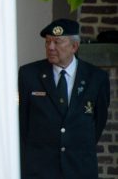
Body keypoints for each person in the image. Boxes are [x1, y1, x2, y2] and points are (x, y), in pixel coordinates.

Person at [18, 18, 110, 179]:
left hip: (79, 167)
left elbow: (98, 121)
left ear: (74, 46)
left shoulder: (96, 78)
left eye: (58, 42)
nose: (51, 47)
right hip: (40, 168)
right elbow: (23, 121)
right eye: (48, 42)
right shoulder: (29, 74)